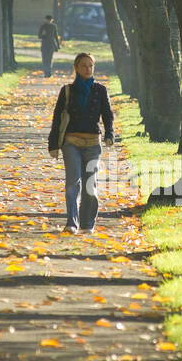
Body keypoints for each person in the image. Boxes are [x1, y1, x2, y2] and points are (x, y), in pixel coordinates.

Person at [48, 53, 116, 234]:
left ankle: (87, 224)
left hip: (93, 144)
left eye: (91, 65)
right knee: (73, 182)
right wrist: (53, 144)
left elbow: (108, 115)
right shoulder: (67, 90)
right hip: (71, 142)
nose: (88, 69)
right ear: (76, 68)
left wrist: (110, 133)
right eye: (84, 65)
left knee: (90, 187)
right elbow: (57, 118)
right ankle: (71, 223)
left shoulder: (100, 90)